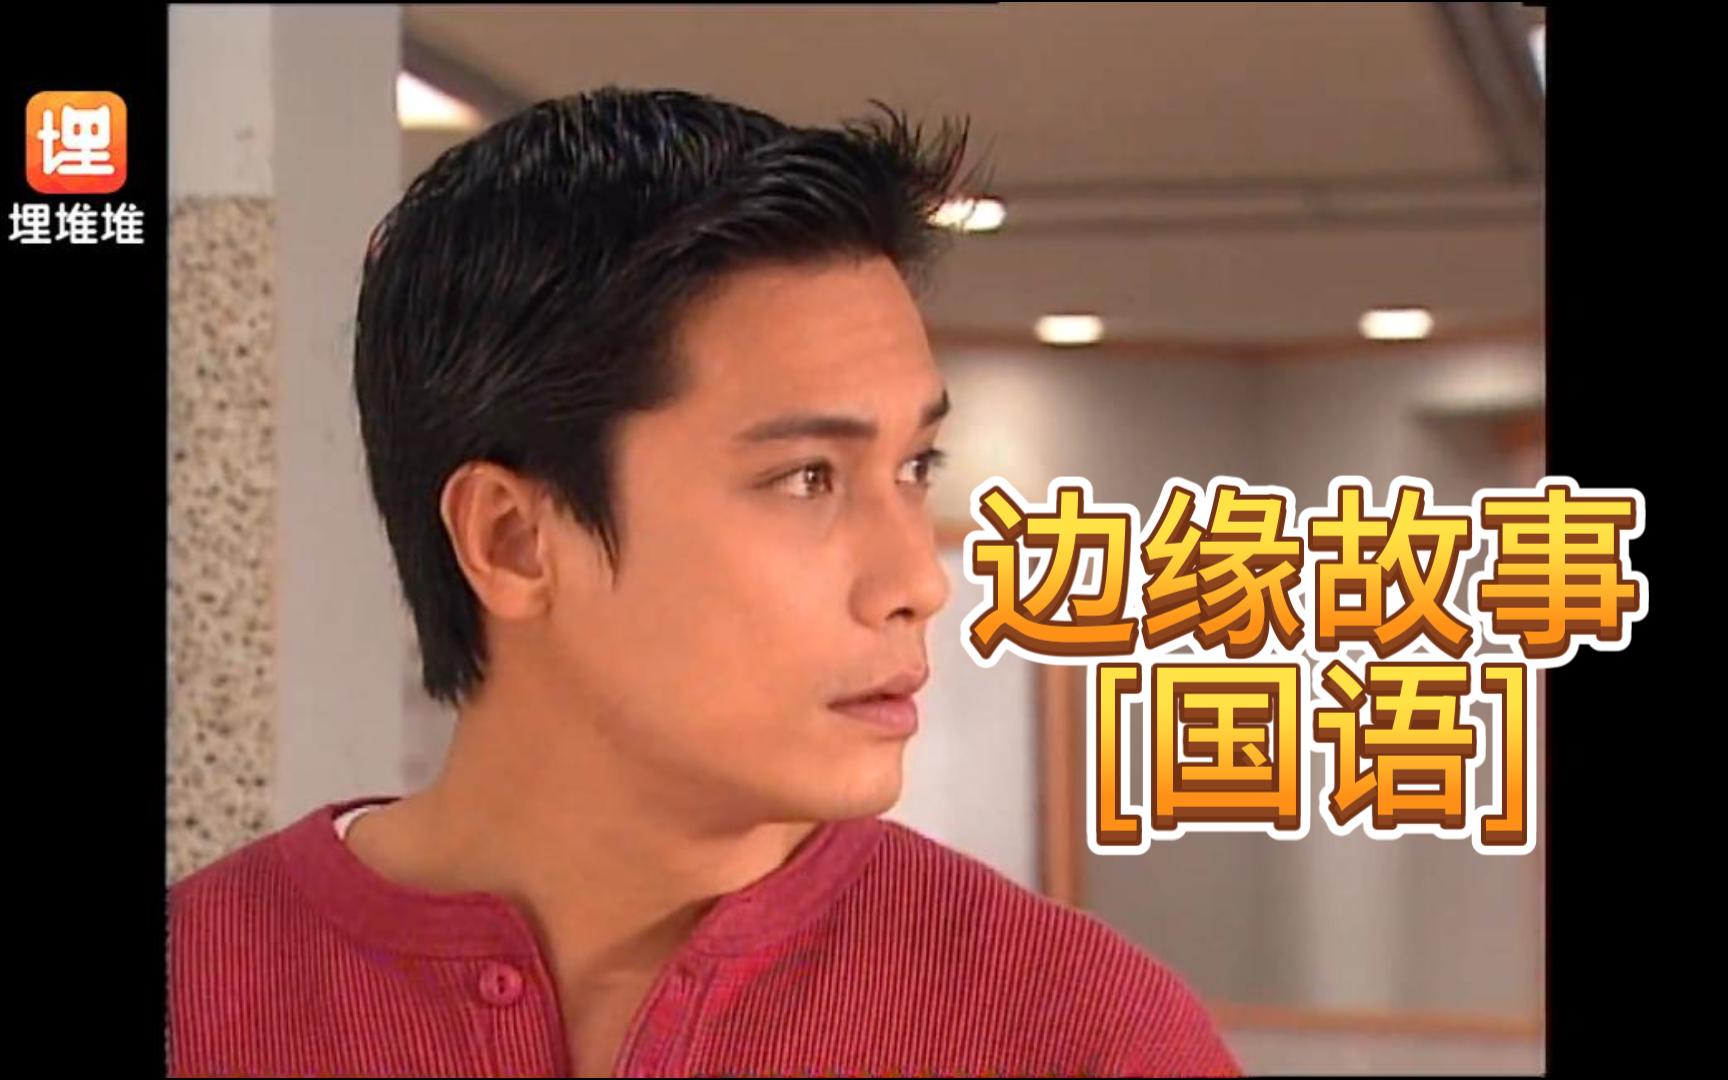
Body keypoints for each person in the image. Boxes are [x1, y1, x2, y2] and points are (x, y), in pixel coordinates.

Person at [168, 85, 1243, 1078]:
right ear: (514, 541)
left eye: (917, 467)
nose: (919, 580)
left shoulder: (1082, 1036)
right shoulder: (195, 997)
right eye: (807, 477)